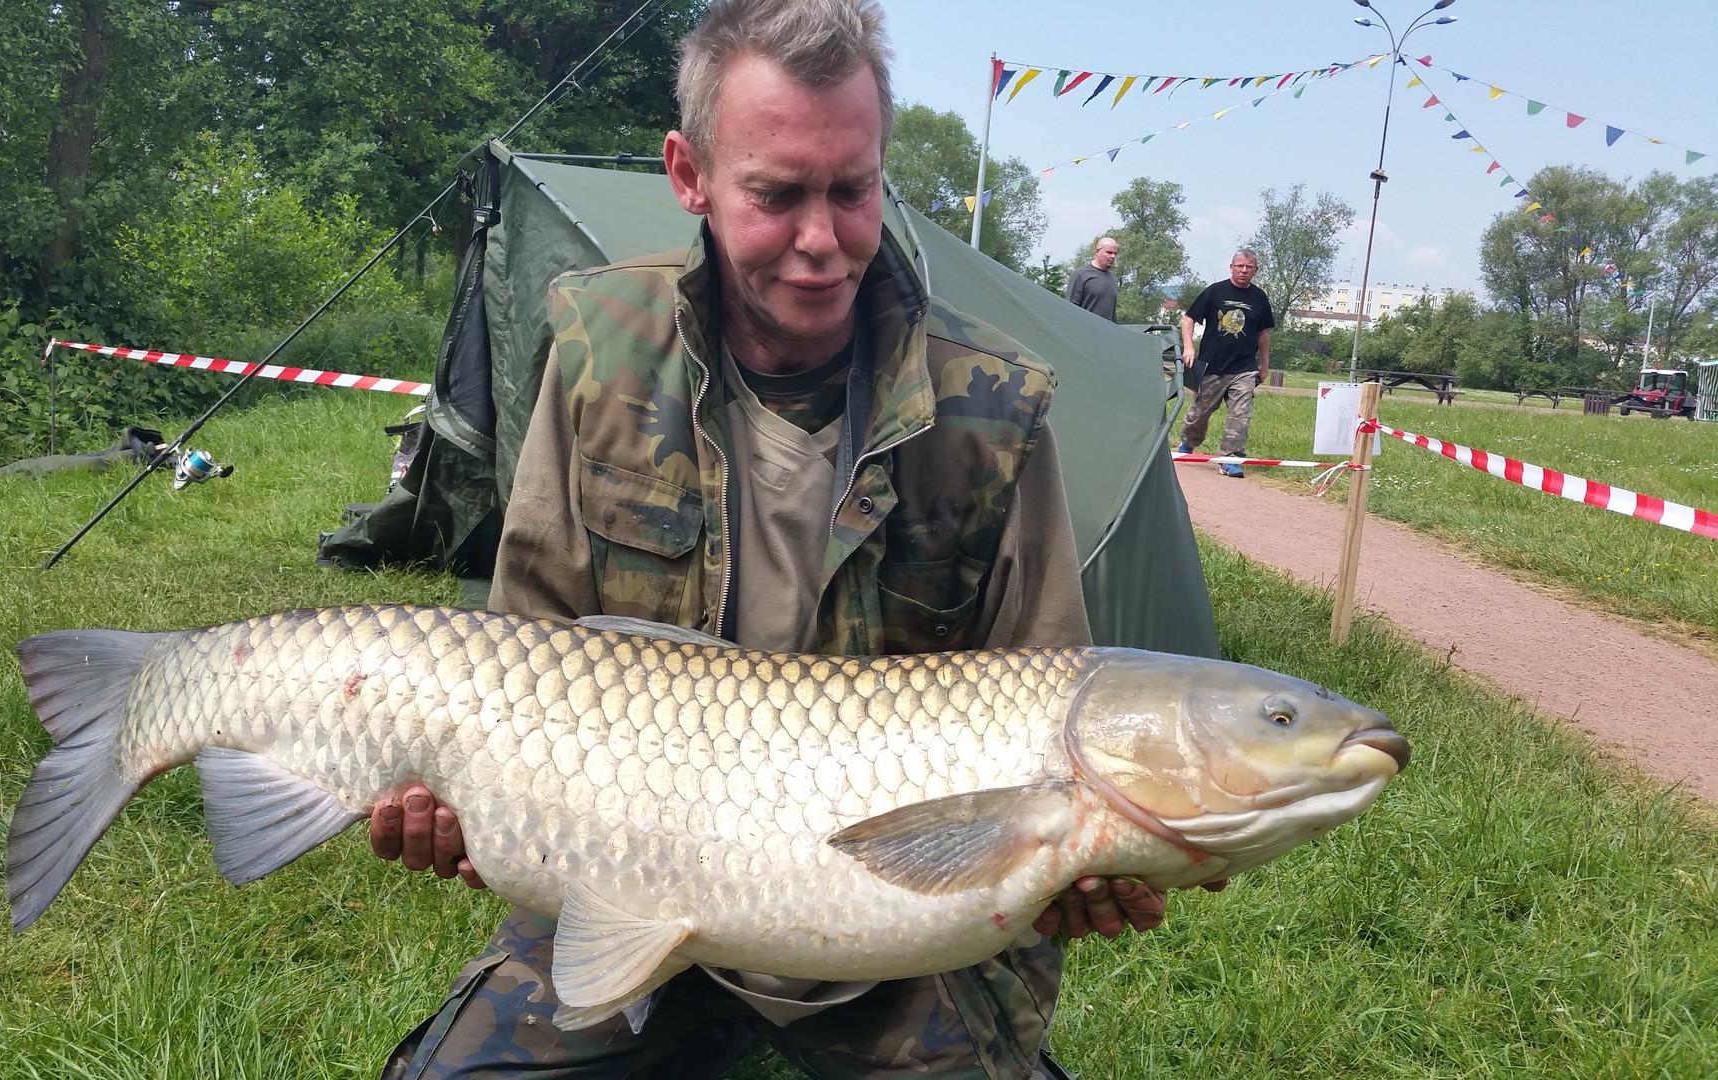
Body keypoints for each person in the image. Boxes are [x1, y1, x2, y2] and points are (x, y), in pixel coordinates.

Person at [370, 2, 1219, 1075]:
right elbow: (525, 649)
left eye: (852, 191)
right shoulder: (599, 351)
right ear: (691, 174)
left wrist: (1085, 864)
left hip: (907, 928)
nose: (822, 240)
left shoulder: (994, 405)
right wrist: (470, 805)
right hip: (631, 873)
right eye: (776, 195)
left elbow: (1054, 709)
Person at [1176, 249, 1274, 478]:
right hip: (1212, 366)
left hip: (1245, 368)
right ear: (1231, 267)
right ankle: (1187, 445)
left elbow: (1263, 333)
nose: (1244, 270)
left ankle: (1230, 458)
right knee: (1199, 413)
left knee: (1241, 415)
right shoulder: (1215, 291)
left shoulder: (1259, 298)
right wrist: (1189, 348)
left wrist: (1265, 364)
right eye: (1240, 266)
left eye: (1249, 267)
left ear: (1255, 271)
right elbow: (1188, 320)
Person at [1064, 235, 1120, 321]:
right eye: (1109, 252)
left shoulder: (1112, 279)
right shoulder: (1081, 275)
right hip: (1085, 332)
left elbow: (1112, 314)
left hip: (1106, 333)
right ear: (1097, 252)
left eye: (1115, 253)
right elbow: (1070, 309)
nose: (1113, 257)